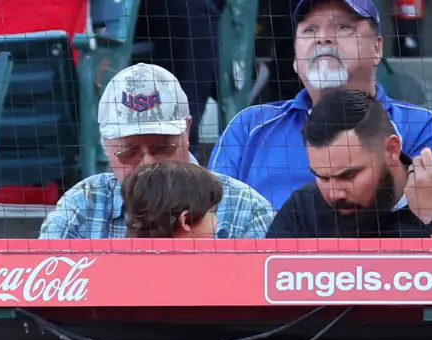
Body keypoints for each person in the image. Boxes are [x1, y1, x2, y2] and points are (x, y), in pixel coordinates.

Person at [207, 0, 432, 210]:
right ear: (294, 58)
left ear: (377, 48)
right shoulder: (248, 127)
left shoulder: (421, 127)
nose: (322, 38)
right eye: (310, 29)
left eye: (343, 27)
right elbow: (213, 222)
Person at [40, 63, 273, 240]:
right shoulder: (82, 204)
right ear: (106, 145)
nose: (147, 162)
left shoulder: (244, 208)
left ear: (187, 130)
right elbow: (40, 295)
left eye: (162, 147)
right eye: (129, 152)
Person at [267, 88, 432, 240]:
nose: (334, 192)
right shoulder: (304, 209)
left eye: (349, 175)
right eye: (322, 177)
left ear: (392, 149)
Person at [122, 158, 223, 239]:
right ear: (186, 220)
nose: (216, 221)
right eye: (212, 212)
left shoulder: (121, 258)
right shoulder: (204, 263)